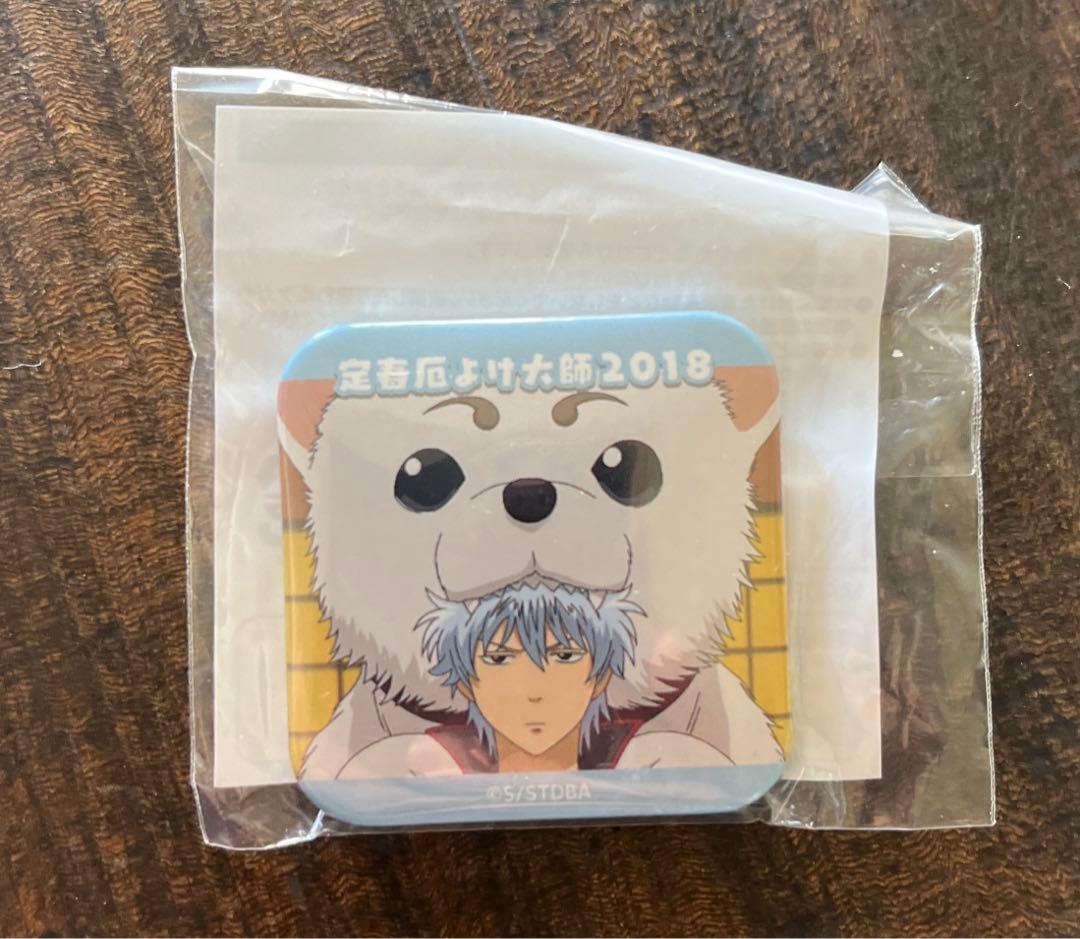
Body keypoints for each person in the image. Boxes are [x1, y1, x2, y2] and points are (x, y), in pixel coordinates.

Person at [336, 584, 732, 778]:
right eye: (499, 659)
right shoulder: (431, 760)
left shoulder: (645, 756)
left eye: (564, 656)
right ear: (467, 683)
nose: (534, 689)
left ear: (600, 678)